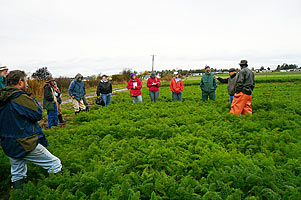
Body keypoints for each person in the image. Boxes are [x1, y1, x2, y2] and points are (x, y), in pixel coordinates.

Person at [0, 70, 62, 190]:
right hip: (25, 142)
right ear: (20, 82)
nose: (27, 84)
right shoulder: (19, 97)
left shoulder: (2, 97)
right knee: (54, 163)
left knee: (18, 173)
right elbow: (37, 113)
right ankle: (56, 192)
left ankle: (19, 195)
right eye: (26, 81)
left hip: (8, 143)